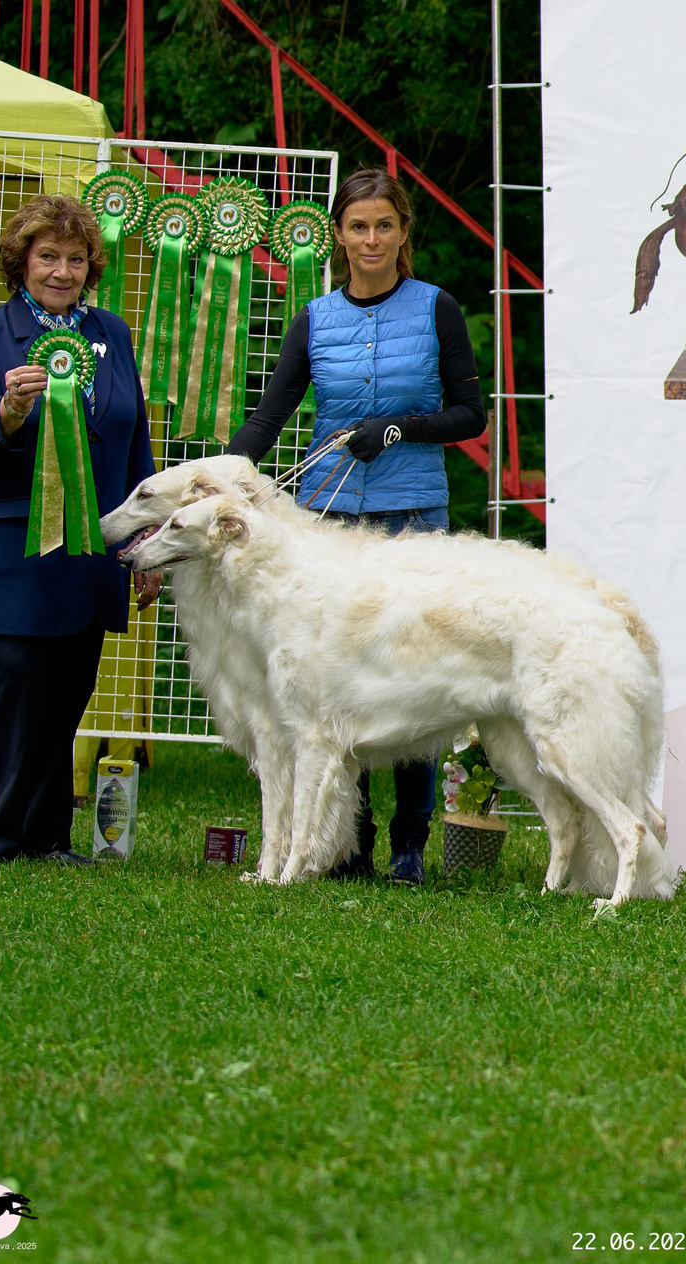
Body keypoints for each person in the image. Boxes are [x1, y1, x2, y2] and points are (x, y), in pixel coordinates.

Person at [228, 168, 485, 884]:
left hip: (411, 521)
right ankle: (350, 844)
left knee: (417, 678)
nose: (370, 239)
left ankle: (409, 844)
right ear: (338, 235)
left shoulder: (437, 309)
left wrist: (399, 429)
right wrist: (220, 479)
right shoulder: (315, 317)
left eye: (384, 226)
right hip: (327, 524)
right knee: (337, 684)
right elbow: (269, 416)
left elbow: (472, 415)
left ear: (404, 233)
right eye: (357, 226)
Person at [0, 195, 159, 864]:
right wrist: (9, 409)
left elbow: (133, 446)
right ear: (21, 262)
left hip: (89, 552)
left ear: (90, 265)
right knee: (14, 687)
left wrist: (146, 542)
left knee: (68, 690)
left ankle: (46, 839)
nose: (62, 272)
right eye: (48, 258)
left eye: (74, 258)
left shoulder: (113, 335)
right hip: (13, 546)